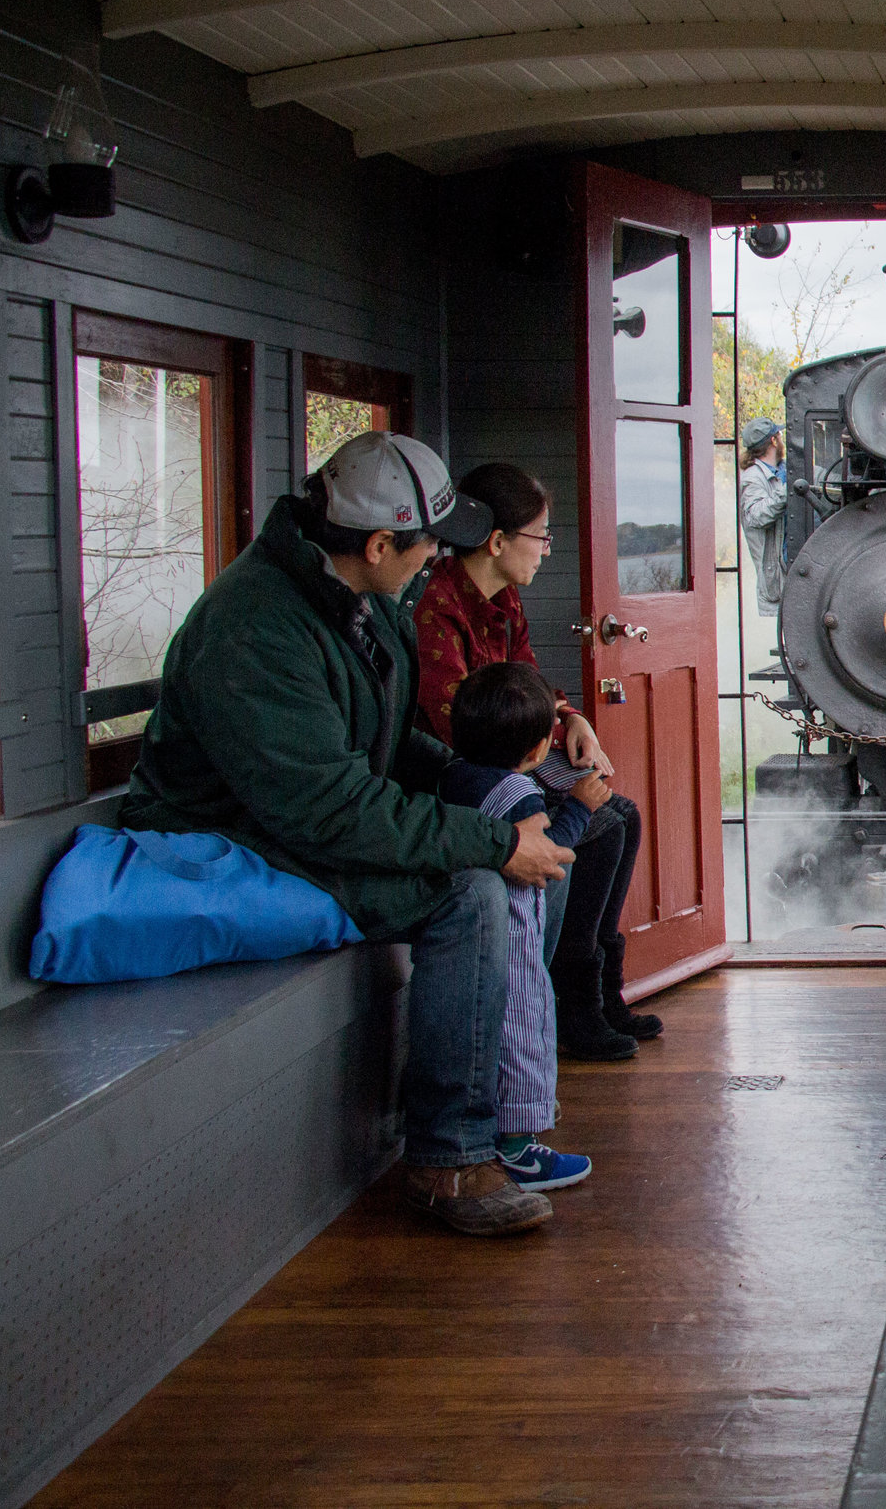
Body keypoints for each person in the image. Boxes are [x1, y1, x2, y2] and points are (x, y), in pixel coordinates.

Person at [121, 433, 571, 1236]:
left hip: (304, 816)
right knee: (468, 893)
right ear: (376, 544)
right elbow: (329, 808)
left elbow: (395, 745)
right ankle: (449, 1155)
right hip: (229, 842)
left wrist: (496, 794)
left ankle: (509, 1108)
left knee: (516, 841)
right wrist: (494, 844)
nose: (440, 557)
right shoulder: (256, 632)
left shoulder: (363, 599)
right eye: (430, 541)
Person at [414, 462, 660, 1058]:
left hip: (514, 748)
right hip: (468, 768)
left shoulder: (504, 596)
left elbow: (529, 680)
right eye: (540, 537)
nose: (547, 551)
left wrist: (571, 719)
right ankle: (572, 1002)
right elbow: (458, 726)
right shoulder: (437, 608)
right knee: (599, 822)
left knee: (621, 814)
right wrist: (548, 764)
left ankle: (600, 992)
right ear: (496, 541)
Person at [440, 661, 613, 1191]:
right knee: (522, 1035)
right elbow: (550, 852)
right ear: (540, 750)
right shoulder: (520, 795)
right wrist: (581, 807)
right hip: (515, 937)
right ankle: (517, 1151)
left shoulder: (455, 775)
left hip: (477, 936)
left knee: (489, 1039)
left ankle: (494, 1138)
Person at [739, 416, 788, 620]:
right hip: (780, 571)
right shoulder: (752, 478)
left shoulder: (785, 469)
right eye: (780, 434)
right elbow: (756, 516)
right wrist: (786, 493)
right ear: (774, 441)